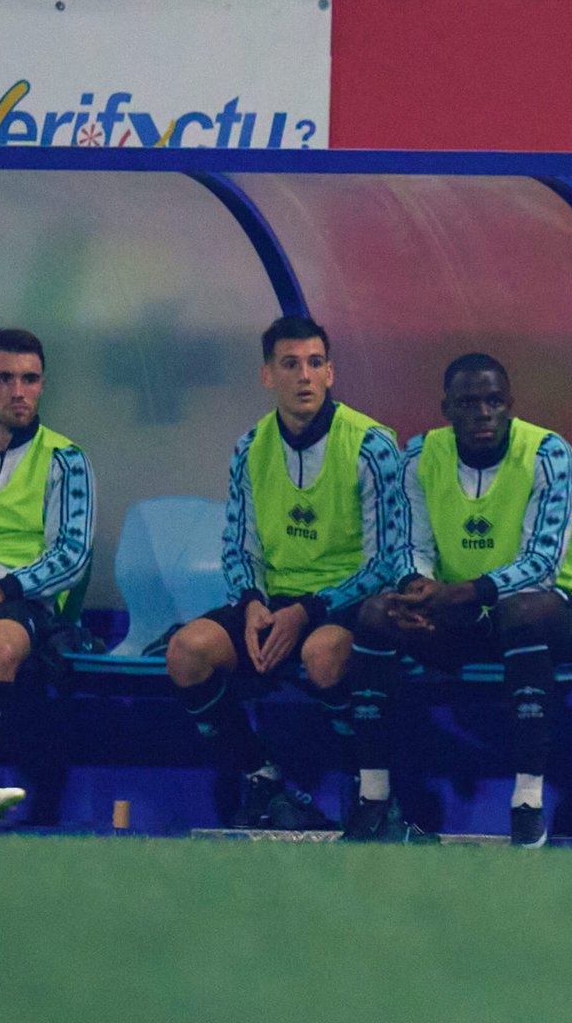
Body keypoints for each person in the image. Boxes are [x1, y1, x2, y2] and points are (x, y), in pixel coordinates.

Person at [164, 315, 406, 834]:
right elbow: (238, 546)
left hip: (343, 604)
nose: (305, 376)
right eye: (290, 365)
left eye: (315, 364)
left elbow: (388, 561)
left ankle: (370, 783)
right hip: (275, 604)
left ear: (331, 373)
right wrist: (251, 602)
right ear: (267, 375)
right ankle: (262, 775)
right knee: (187, 651)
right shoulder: (250, 446)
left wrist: (308, 610)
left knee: (322, 655)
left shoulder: (372, 446)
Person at [355, 352, 572, 847]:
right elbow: (410, 547)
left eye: (493, 401)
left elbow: (542, 561)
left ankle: (528, 803)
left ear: (510, 404)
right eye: (468, 403)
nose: (483, 413)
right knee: (376, 615)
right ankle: (372, 799)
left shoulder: (548, 453)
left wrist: (460, 593)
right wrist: (416, 589)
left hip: (550, 613)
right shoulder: (418, 457)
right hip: (457, 616)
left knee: (520, 611)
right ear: (446, 409)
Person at [0, 328, 95, 824]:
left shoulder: (66, 459)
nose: (19, 391)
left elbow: (72, 555)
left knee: (0, 644)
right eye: (5, 378)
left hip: (26, 600)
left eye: (30, 379)